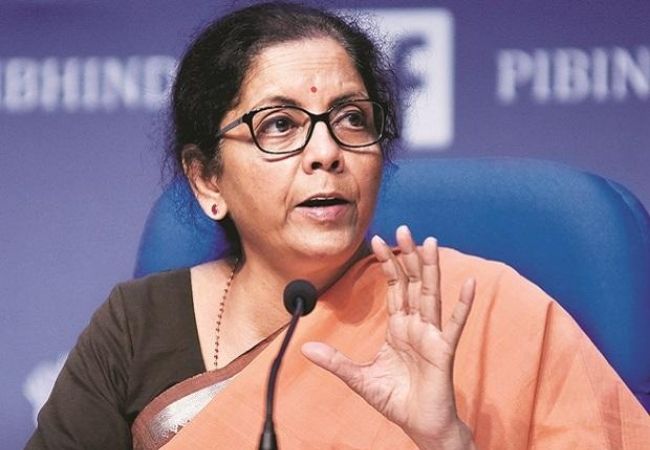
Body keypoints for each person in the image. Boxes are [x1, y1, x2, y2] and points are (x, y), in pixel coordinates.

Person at [26, 2, 650, 449]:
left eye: (352, 118)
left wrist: (445, 441)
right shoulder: (136, 328)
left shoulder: (481, 309)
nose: (326, 152)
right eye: (279, 125)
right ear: (208, 179)